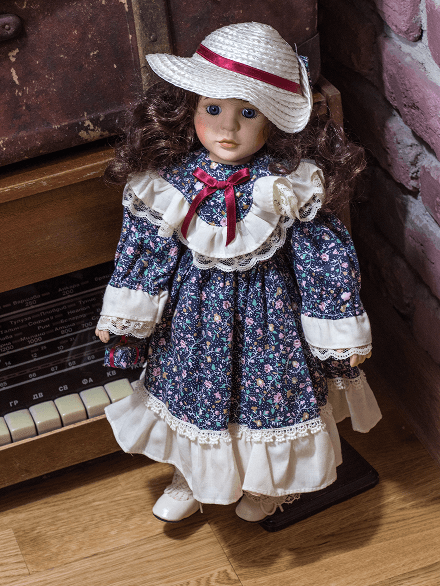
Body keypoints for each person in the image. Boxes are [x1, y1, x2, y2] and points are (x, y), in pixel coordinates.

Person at [95, 22, 381, 523]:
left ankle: (270, 483)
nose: (227, 129)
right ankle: (192, 474)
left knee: (268, 399)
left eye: (247, 113)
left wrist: (338, 328)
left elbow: (322, 258)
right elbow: (146, 250)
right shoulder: (170, 182)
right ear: (189, 109)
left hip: (268, 323)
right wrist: (126, 315)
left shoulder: (286, 186)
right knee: (189, 393)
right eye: (213, 110)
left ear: (272, 122)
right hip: (192, 322)